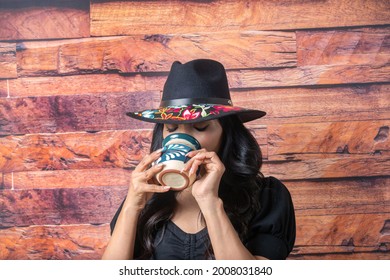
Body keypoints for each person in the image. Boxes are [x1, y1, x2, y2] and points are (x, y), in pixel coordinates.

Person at [102, 59, 296, 260]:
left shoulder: (268, 195)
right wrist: (133, 205)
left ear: (226, 132)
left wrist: (210, 202)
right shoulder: (145, 197)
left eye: (201, 127)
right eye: (171, 128)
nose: (184, 136)